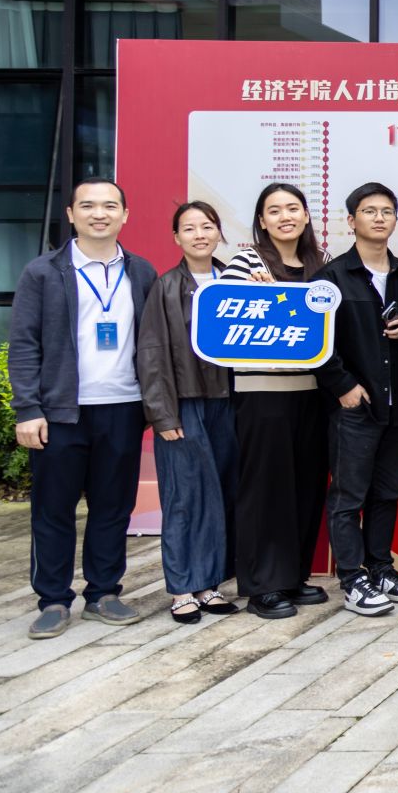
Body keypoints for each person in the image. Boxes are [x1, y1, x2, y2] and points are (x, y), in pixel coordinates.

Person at [10, 177, 157, 638]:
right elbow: (24, 344)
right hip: (60, 413)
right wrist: (27, 409)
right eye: (88, 206)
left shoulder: (141, 272)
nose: (100, 214)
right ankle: (53, 600)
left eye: (110, 206)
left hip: (123, 407)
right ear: (71, 214)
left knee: (113, 508)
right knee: (53, 510)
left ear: (125, 215)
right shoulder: (43, 272)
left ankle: (103, 593)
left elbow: (154, 344)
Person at [219, 182, 332, 619]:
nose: (286, 216)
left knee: (304, 488)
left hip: (313, 394)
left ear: (306, 215)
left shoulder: (321, 264)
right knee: (264, 491)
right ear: (262, 221)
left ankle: (293, 576)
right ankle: (261, 586)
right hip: (261, 395)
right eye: (275, 210)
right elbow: (225, 320)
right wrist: (264, 300)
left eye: (293, 208)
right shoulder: (246, 262)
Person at [314, 183, 398, 617]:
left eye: (386, 211)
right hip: (355, 406)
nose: (379, 218)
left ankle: (381, 568)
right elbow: (315, 341)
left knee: (387, 493)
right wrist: (342, 385)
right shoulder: (331, 277)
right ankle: (352, 578)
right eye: (369, 211)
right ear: (351, 220)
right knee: (348, 496)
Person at [136, 200, 241, 624]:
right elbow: (151, 354)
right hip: (184, 404)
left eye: (207, 226)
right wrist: (163, 415)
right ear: (176, 237)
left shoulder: (236, 282)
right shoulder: (165, 287)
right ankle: (182, 588)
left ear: (219, 232)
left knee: (221, 494)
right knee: (184, 497)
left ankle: (209, 584)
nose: (200, 235)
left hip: (229, 403)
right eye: (190, 228)